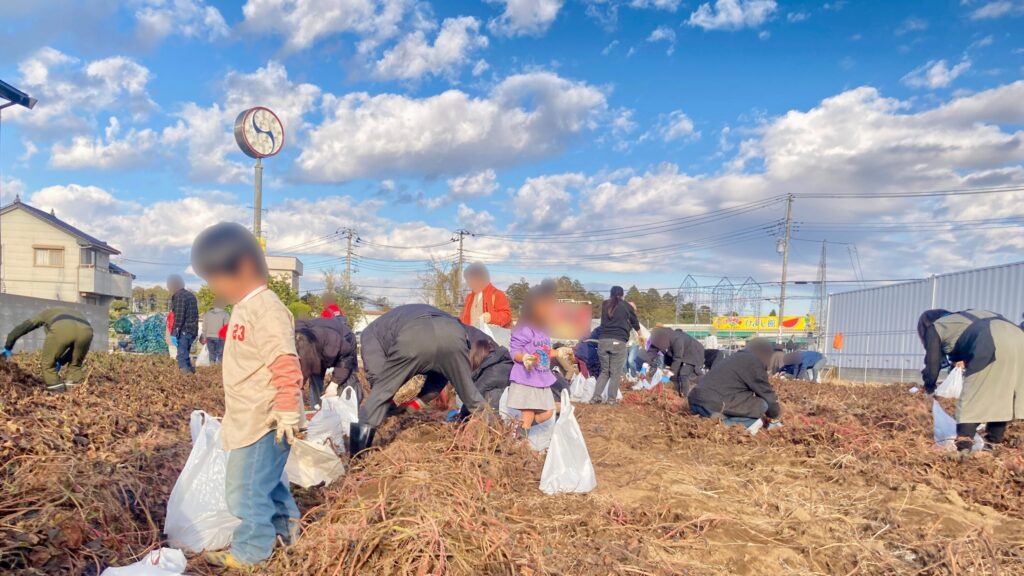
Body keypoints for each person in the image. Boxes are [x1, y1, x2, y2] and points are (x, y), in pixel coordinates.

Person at [190, 222, 301, 568]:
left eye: (216, 277)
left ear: (245, 266)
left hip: (265, 420)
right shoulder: (244, 306)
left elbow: (285, 362)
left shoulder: (266, 309)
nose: (213, 286)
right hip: (249, 416)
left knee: (243, 490)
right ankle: (287, 534)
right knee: (264, 483)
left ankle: (251, 553)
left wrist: (287, 409)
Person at [355, 304, 488, 454]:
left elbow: (377, 378)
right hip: (453, 332)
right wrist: (408, 409)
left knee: (379, 396)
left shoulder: (369, 333)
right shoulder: (401, 316)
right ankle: (495, 437)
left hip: (415, 336)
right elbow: (436, 383)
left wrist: (386, 403)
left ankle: (357, 455)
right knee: (471, 395)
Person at [918, 309, 1024, 454]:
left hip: (989, 339)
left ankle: (964, 448)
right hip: (1019, 338)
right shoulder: (962, 318)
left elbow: (933, 363)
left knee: (971, 396)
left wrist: (929, 387)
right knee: (1003, 395)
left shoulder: (935, 327)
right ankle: (993, 443)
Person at [688, 338, 782, 428]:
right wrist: (774, 416)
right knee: (762, 405)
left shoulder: (734, 357)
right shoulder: (754, 362)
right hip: (711, 404)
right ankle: (725, 424)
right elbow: (766, 394)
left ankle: (716, 416)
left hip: (695, 401)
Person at [508, 284, 559, 435]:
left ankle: (519, 430)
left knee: (548, 412)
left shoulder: (544, 331)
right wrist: (524, 357)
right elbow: (514, 351)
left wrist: (559, 352)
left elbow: (544, 352)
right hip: (527, 378)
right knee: (528, 413)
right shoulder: (524, 329)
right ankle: (520, 438)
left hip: (541, 379)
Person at [3, 307, 93, 392]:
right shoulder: (70, 312)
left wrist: (8, 346)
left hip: (61, 328)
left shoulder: (45, 314)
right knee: (75, 364)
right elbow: (72, 352)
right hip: (87, 331)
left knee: (48, 365)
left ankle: (56, 389)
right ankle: (74, 389)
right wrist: (61, 361)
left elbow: (24, 327)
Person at [295, 316, 360, 405]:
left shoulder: (331, 342)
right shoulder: (292, 340)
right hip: (317, 343)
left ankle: (346, 408)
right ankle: (317, 407)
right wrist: (298, 387)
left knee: (345, 379)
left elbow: (346, 357)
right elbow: (302, 366)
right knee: (315, 376)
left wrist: (334, 384)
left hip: (343, 338)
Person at [591, 286, 640, 404]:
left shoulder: (605, 304)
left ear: (611, 294)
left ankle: (596, 397)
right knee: (615, 373)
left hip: (603, 341)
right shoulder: (626, 306)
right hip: (618, 341)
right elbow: (635, 322)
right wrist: (640, 333)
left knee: (604, 371)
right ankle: (611, 399)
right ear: (622, 295)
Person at [458, 324, 513, 418]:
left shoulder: (494, 371)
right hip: (509, 410)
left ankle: (492, 424)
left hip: (505, 414)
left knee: (488, 395)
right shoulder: (497, 363)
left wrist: (461, 417)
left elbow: (474, 394)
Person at [647, 326, 705, 396]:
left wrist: (670, 372)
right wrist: (646, 364)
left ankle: (684, 395)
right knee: (675, 375)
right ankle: (676, 392)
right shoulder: (660, 339)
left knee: (683, 373)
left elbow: (677, 358)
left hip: (694, 353)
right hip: (680, 354)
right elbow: (652, 350)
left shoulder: (677, 339)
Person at [459, 262, 513, 329]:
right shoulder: (469, 297)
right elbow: (464, 319)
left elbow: (507, 316)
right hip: (470, 334)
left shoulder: (497, 294)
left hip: (489, 334)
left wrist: (491, 317)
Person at [168, 275, 199, 373]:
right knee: (185, 355)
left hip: (184, 330)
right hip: (192, 330)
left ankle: (185, 376)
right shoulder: (191, 295)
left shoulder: (179, 296)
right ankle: (190, 373)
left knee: (181, 356)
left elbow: (179, 315)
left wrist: (175, 331)